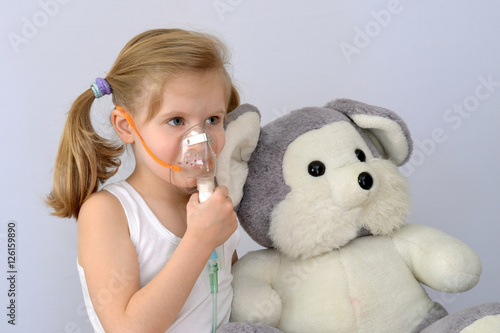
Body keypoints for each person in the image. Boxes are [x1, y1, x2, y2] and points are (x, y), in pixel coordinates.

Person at [46, 28, 240, 332]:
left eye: (212, 120)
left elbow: (229, 290)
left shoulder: (212, 203)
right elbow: (127, 328)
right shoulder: (108, 213)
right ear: (127, 127)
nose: (199, 139)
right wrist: (200, 240)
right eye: (176, 121)